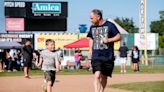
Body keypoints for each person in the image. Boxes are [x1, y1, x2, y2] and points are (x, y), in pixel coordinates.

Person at [87, 9, 121, 92]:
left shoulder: (110, 25)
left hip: (108, 56)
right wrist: (90, 50)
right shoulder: (92, 27)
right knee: (97, 75)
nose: (90, 20)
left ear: (98, 17)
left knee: (104, 77)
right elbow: (91, 38)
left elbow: (119, 36)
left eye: (92, 18)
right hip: (96, 56)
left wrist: (109, 40)